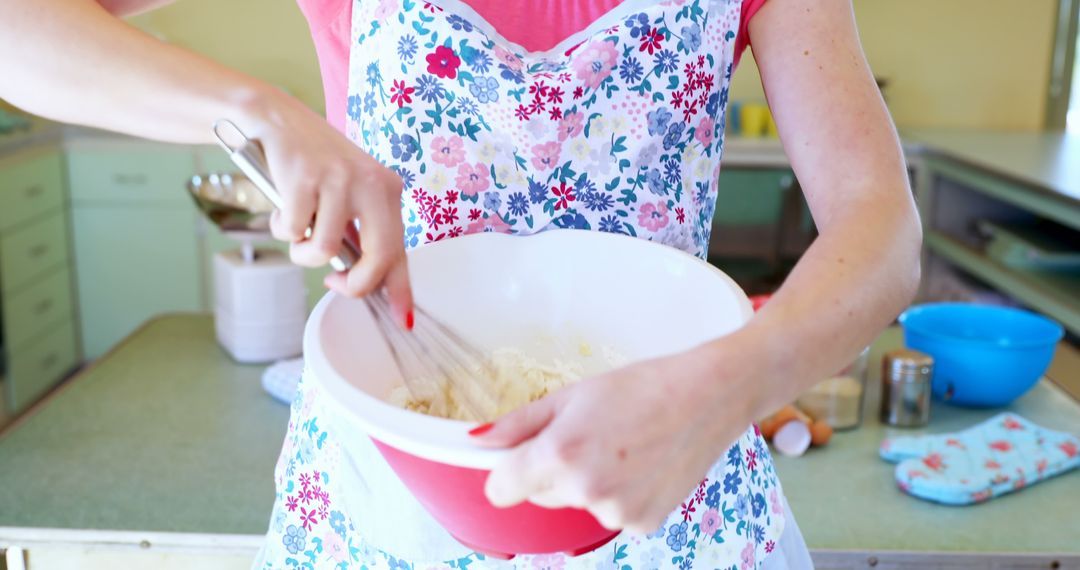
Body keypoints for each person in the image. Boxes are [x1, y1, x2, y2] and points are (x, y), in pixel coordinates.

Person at [0, 0, 922, 567]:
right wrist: (253, 111)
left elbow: (881, 227)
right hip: (383, 497)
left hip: (667, 475)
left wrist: (734, 379)